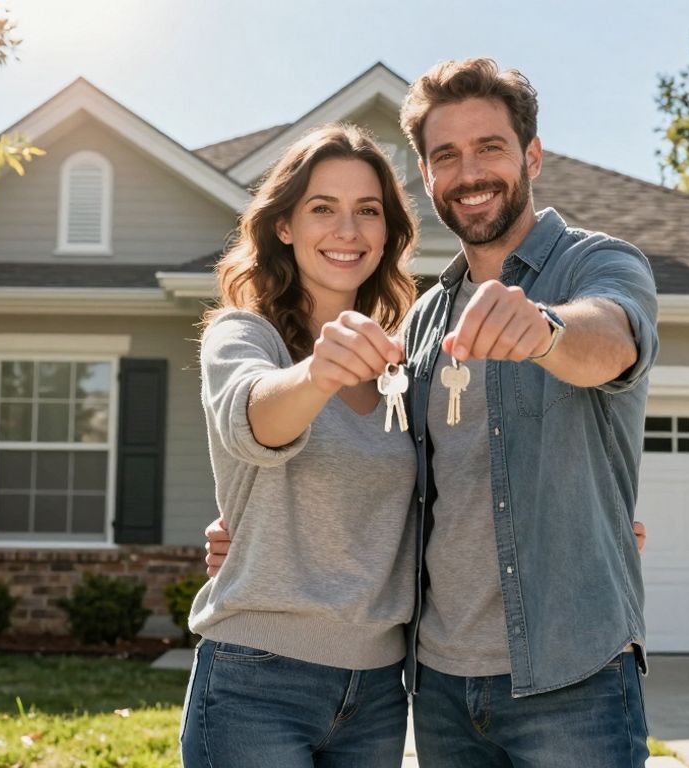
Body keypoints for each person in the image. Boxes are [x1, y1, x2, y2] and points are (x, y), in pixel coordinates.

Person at [204, 58, 659, 767]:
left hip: (575, 673)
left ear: (532, 155)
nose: (470, 172)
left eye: (491, 148)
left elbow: (613, 339)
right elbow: (403, 483)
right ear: (427, 174)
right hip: (440, 685)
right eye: (447, 155)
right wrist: (256, 535)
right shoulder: (417, 326)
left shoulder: (598, 266)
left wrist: (546, 331)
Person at [180, 123, 420, 768]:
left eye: (367, 211)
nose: (348, 230)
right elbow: (254, 418)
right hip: (255, 678)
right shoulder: (243, 334)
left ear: (387, 233)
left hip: (378, 687)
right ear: (283, 226)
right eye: (323, 208)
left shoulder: (403, 364)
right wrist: (319, 371)